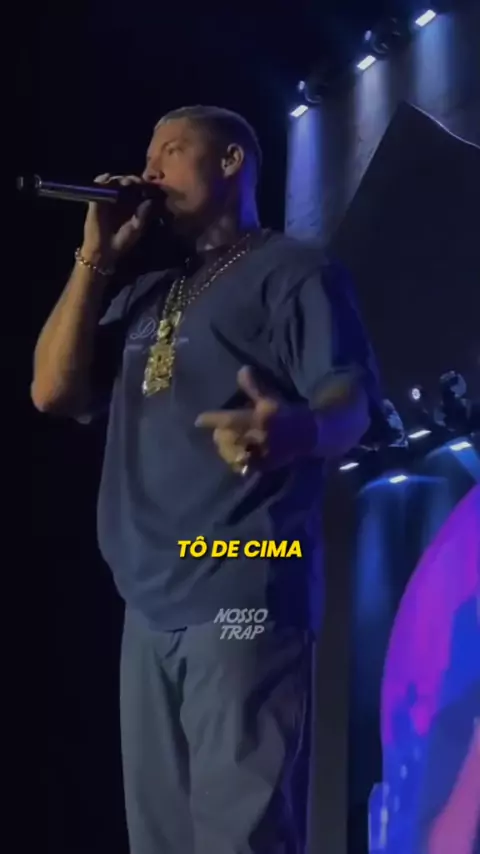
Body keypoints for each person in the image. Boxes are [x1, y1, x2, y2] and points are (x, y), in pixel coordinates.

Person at [32, 105, 381, 854]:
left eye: (173, 149)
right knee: (160, 841)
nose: (150, 169)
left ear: (231, 162)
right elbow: (52, 391)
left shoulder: (294, 270)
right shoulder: (147, 294)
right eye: (148, 153)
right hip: (149, 600)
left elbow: (351, 398)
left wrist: (296, 430)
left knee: (239, 834)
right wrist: (94, 255)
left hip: (244, 582)